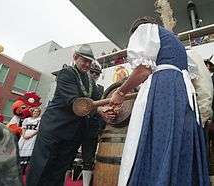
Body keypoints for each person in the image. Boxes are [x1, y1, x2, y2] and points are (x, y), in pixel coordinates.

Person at [109, 16, 209, 185]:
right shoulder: (176, 43)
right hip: (183, 94)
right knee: (179, 144)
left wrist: (120, 92)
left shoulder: (145, 30)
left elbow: (143, 70)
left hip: (165, 91)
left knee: (158, 144)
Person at [26, 44, 107, 186]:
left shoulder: (90, 82)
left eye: (90, 61)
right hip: (55, 129)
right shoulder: (66, 73)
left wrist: (108, 109)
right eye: (84, 60)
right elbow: (75, 102)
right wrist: (100, 109)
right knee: (43, 167)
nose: (87, 65)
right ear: (75, 57)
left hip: (73, 134)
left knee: (60, 170)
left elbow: (98, 100)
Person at [18, 107, 41, 176]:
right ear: (32, 112)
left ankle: (23, 169)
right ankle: (18, 167)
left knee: (28, 151)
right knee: (21, 149)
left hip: (33, 136)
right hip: (24, 135)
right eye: (34, 111)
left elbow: (38, 130)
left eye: (37, 112)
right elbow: (23, 127)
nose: (35, 113)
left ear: (39, 113)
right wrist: (24, 135)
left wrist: (30, 136)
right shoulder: (27, 119)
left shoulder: (39, 120)